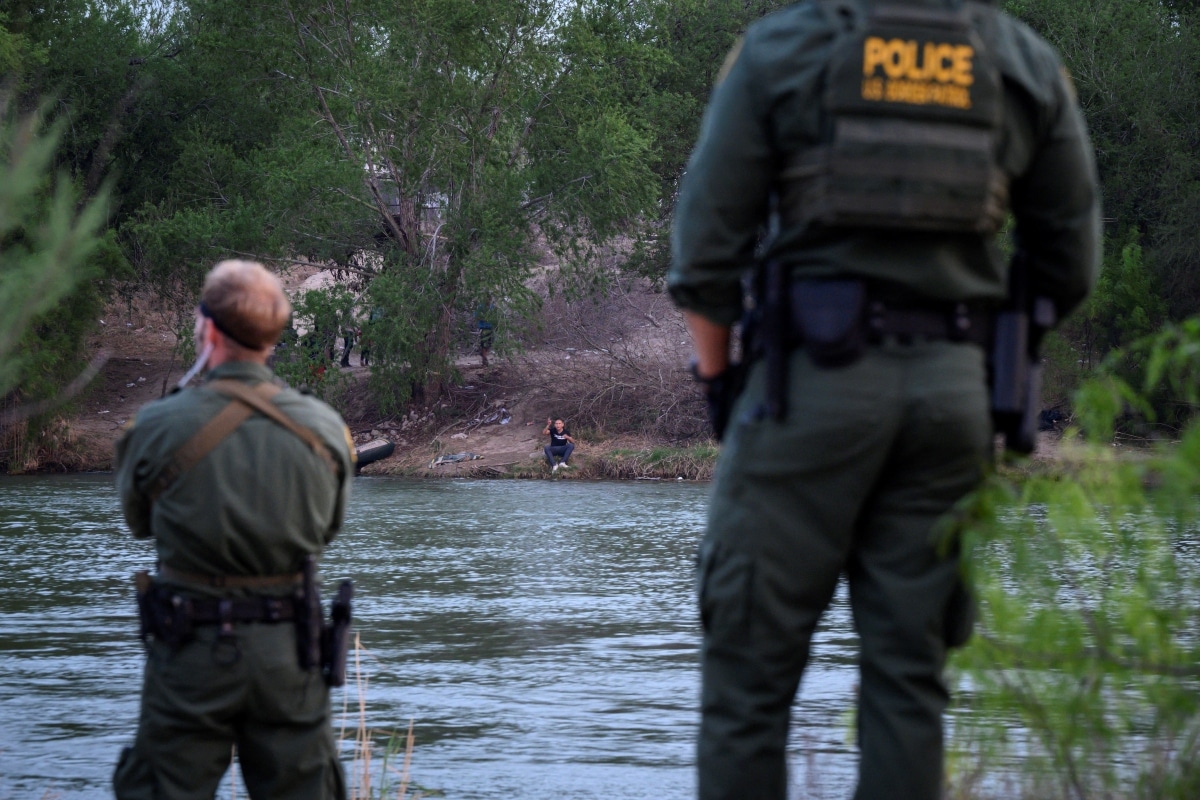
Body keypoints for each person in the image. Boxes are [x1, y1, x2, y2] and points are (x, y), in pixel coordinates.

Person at [668, 1, 1101, 798]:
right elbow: (1070, 261)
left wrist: (722, 388)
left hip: (804, 391)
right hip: (954, 400)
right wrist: (1000, 357)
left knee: (747, 684)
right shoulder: (1020, 61)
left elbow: (703, 260)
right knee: (909, 679)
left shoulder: (783, 50)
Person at [113, 259, 356, 800]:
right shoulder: (323, 428)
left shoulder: (156, 425)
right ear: (273, 334)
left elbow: (138, 522)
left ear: (209, 328)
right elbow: (327, 530)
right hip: (289, 649)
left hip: (190, 644)